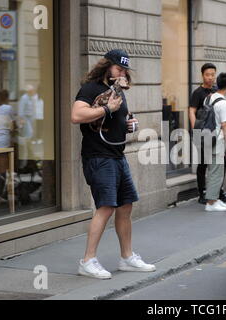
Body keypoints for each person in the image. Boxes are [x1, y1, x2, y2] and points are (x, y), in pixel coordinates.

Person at [71, 49, 155, 280]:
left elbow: (120, 117)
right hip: (98, 156)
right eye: (119, 68)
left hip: (117, 155)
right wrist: (108, 108)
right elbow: (77, 115)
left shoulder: (117, 91)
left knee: (125, 205)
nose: (122, 72)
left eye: (125, 69)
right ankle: (87, 261)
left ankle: (127, 257)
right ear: (107, 66)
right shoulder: (91, 88)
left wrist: (130, 122)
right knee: (106, 207)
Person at [189, 63, 226, 205]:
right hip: (203, 132)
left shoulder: (215, 91)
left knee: (220, 164)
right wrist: (196, 129)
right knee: (203, 164)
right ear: (202, 75)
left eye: (213, 74)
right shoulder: (198, 92)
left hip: (215, 133)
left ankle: (218, 192)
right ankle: (202, 192)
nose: (210, 77)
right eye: (207, 75)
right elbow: (192, 111)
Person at [205, 73, 226, 212]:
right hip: (217, 140)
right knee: (216, 172)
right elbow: (225, 125)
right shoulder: (223, 103)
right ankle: (211, 203)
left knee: (212, 170)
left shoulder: (209, 98)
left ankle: (214, 199)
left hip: (207, 137)